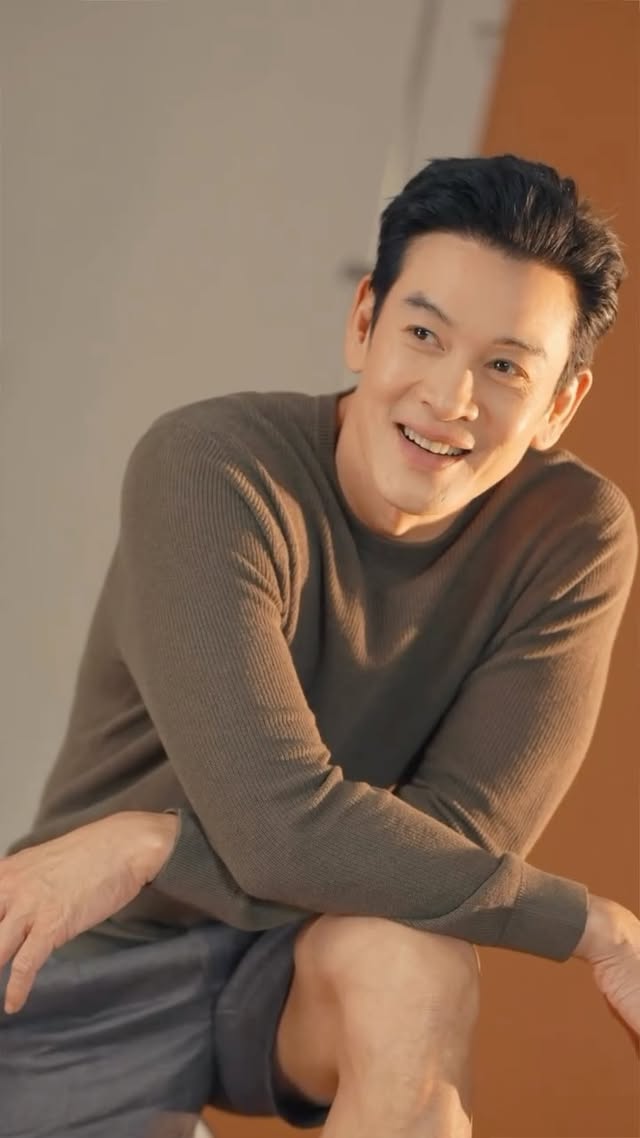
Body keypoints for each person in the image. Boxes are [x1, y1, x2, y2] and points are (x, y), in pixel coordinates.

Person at [0, 154, 638, 1138]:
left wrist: (154, 842)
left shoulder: (571, 536)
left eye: (506, 366)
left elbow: (459, 843)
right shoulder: (215, 468)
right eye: (423, 334)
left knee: (414, 960)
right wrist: (591, 926)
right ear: (363, 322)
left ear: (560, 403)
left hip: (301, 959)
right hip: (91, 948)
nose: (450, 397)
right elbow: (275, 826)